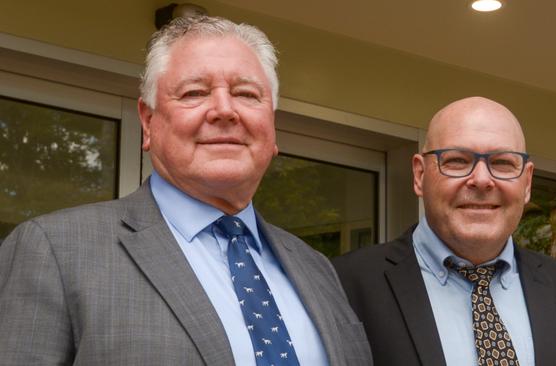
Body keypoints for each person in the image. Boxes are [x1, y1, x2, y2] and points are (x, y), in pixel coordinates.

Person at [0, 16, 371, 366]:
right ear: (148, 122)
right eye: (195, 92)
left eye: (246, 94)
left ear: (271, 126)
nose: (225, 110)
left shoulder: (317, 267)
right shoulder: (56, 250)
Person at [333, 96, 556, 366]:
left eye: (502, 163)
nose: (481, 180)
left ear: (527, 183)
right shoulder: (341, 286)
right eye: (457, 161)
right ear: (420, 175)